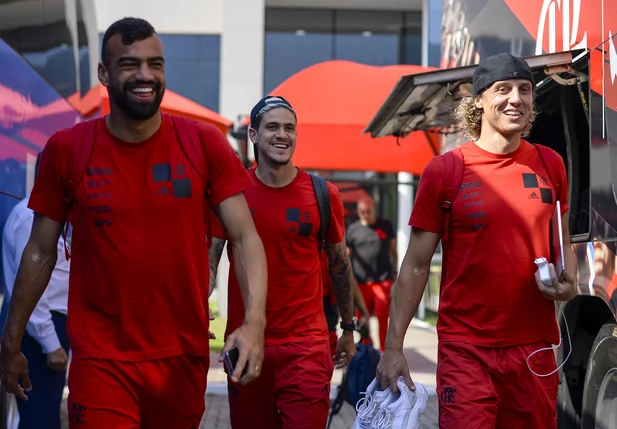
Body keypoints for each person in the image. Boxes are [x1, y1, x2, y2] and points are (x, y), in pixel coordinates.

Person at [0, 17, 267, 429]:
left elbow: (246, 236)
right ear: (103, 74)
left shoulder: (204, 143)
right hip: (100, 358)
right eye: (130, 64)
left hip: (182, 356)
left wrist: (254, 323)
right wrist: (11, 340)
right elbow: (39, 250)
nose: (145, 75)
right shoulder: (68, 150)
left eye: (155, 64)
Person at [376, 53, 578, 428]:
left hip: (532, 349)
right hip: (466, 350)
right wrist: (393, 347)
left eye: (524, 90)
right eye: (503, 89)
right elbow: (417, 265)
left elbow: (562, 245)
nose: (515, 99)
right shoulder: (446, 171)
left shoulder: (551, 164)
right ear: (480, 100)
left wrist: (569, 283)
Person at [208, 95, 356, 429]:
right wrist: (197, 305)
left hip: (306, 347)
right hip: (246, 344)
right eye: (272, 126)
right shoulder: (233, 193)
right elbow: (210, 257)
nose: (282, 134)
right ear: (254, 135)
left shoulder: (322, 193)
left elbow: (339, 264)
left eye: (290, 128)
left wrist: (348, 327)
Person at [1, 153, 70, 429]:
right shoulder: (30, 216)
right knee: (39, 418)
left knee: (46, 414)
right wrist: (51, 343)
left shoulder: (47, 212)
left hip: (49, 326)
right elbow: (30, 287)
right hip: (39, 330)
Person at [346, 197, 397, 350]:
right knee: (361, 316)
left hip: (383, 279)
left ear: (374, 209)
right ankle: (367, 346)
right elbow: (347, 256)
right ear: (359, 212)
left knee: (382, 314)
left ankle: (383, 348)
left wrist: (395, 271)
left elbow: (393, 251)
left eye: (368, 211)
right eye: (363, 212)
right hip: (361, 281)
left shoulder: (385, 225)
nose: (366, 215)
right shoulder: (353, 230)